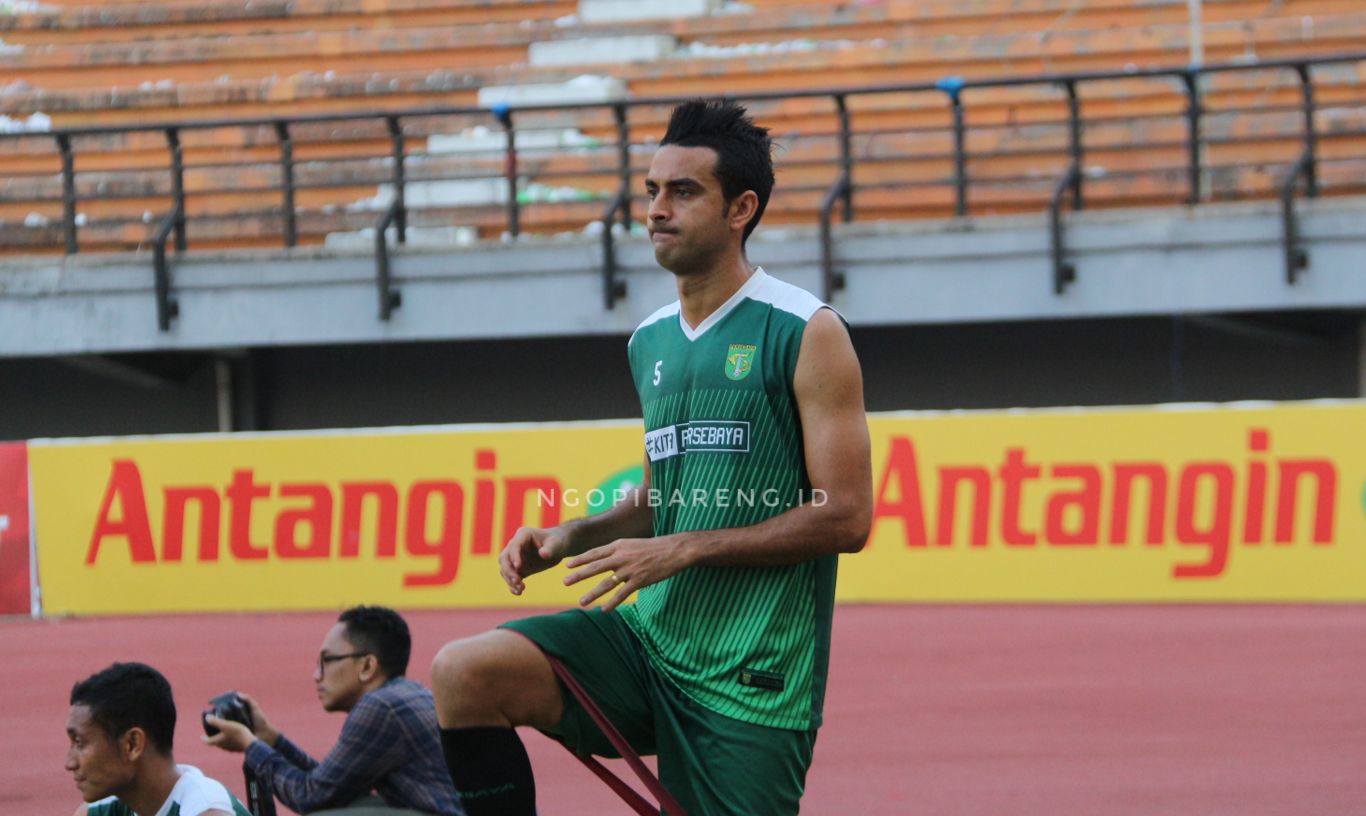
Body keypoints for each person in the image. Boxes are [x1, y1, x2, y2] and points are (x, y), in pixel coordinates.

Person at [431, 98, 874, 816]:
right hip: (650, 645)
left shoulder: (806, 330)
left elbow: (846, 518)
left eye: (683, 191)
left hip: (753, 678)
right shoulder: (650, 340)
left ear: (741, 209)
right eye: (651, 191)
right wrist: (568, 535)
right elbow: (658, 495)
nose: (656, 210)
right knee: (466, 673)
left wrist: (682, 549)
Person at [204, 606, 462, 816]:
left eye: (326, 661)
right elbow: (329, 783)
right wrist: (270, 738)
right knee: (352, 805)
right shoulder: (402, 696)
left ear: (367, 666)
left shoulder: (380, 708)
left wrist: (250, 746)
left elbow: (309, 797)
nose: (316, 675)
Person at [66, 662, 250, 816]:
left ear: (133, 744)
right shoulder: (104, 810)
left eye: (80, 743)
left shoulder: (206, 809)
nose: (69, 763)